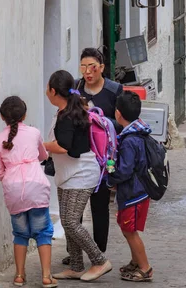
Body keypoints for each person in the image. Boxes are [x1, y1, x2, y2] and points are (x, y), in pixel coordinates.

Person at [44, 70, 112, 281]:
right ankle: (75, 265)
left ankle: (100, 261)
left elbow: (63, 146)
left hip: (80, 175)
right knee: (66, 221)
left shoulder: (67, 116)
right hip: (69, 174)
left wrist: (39, 145)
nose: (46, 91)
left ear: (53, 91)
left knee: (72, 222)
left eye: (48, 88)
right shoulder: (70, 110)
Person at [0, 97, 57, 288]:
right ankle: (46, 276)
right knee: (43, 231)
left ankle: (19, 276)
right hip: (36, 187)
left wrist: (12, 178)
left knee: (20, 234)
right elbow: (43, 154)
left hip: (13, 191)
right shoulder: (34, 133)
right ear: (25, 115)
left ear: (1, 116)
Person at [69, 48, 122, 263]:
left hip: (102, 158)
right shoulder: (75, 88)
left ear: (101, 67)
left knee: (100, 205)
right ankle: (75, 251)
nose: (87, 72)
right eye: (83, 67)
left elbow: (121, 121)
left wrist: (101, 122)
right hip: (79, 155)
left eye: (92, 67)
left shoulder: (114, 90)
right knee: (75, 207)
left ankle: (98, 249)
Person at [107, 92, 154, 282]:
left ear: (118, 114)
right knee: (129, 228)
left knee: (129, 231)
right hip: (141, 191)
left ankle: (145, 268)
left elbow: (125, 170)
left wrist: (110, 178)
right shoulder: (140, 132)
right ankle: (135, 262)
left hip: (133, 193)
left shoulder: (129, 141)